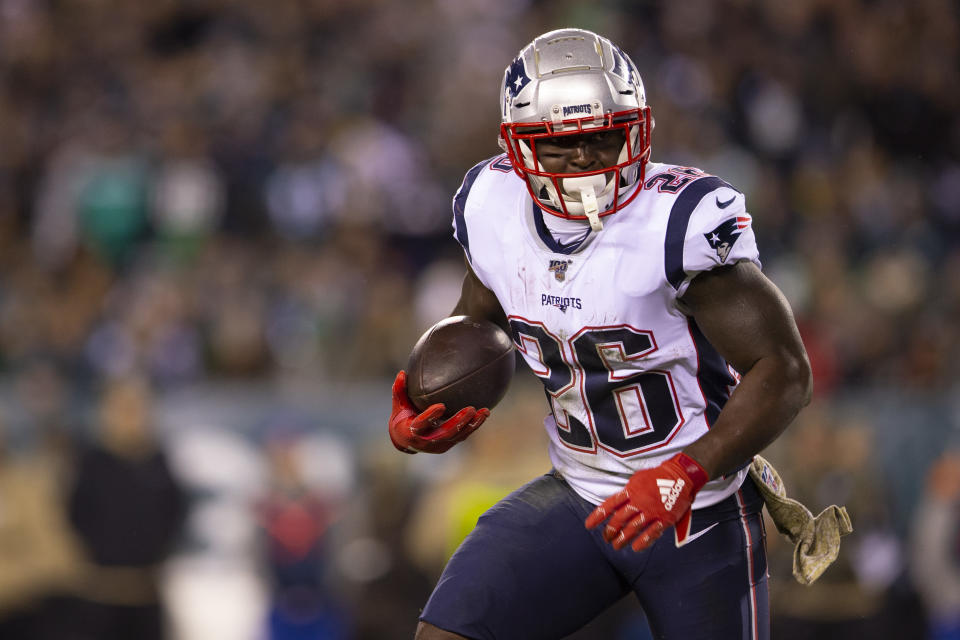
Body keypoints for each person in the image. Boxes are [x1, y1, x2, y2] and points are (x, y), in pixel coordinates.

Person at [388, 28, 812, 640]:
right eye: (561, 145)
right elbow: (480, 323)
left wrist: (689, 472)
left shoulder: (677, 222)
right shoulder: (493, 207)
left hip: (698, 509)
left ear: (637, 128)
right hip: (578, 495)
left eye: (602, 136)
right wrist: (431, 403)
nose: (586, 158)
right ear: (518, 147)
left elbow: (785, 370)